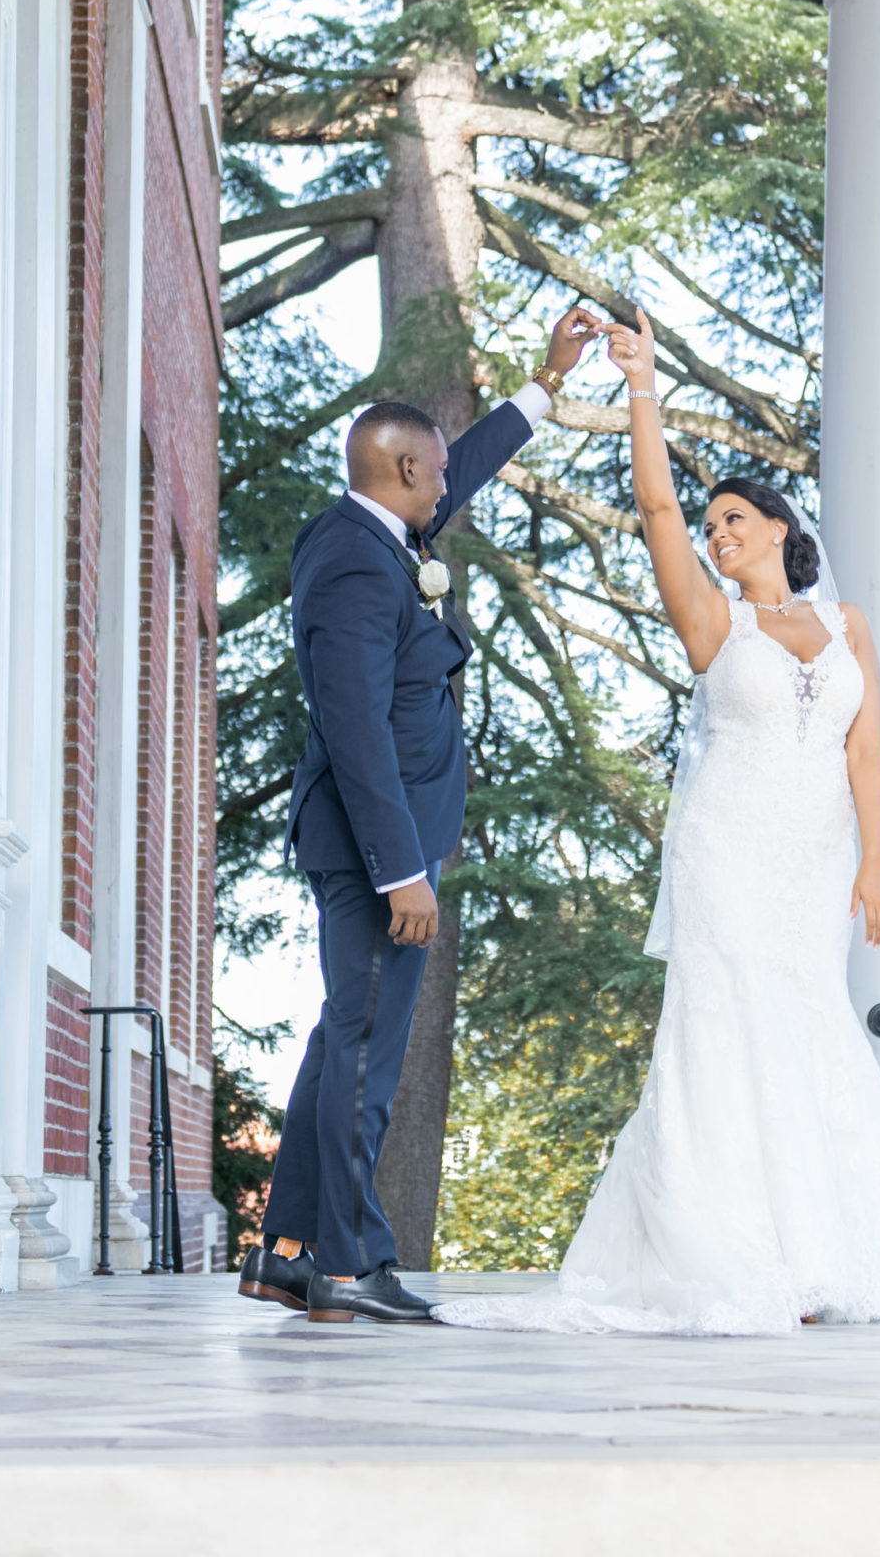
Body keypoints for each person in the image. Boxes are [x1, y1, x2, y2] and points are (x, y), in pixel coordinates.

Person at [435, 307, 880, 1335]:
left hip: (818, 858)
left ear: (780, 529)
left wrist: (877, 865)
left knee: (806, 1021)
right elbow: (655, 508)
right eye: (713, 524)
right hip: (726, 848)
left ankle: (823, 1251)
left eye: (734, 519)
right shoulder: (714, 620)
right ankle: (740, 1252)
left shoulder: (847, 625)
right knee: (728, 1027)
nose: (718, 533)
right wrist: (642, 386)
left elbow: (868, 750)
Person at [238, 305, 602, 1326]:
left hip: (387, 844)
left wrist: (543, 386)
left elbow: (465, 468)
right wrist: (402, 868)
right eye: (433, 473)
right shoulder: (356, 559)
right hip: (375, 854)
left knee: (341, 1044)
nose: (446, 487)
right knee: (363, 1056)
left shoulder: (378, 533)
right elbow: (353, 722)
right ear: (402, 471)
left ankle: (289, 1253)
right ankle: (351, 1266)